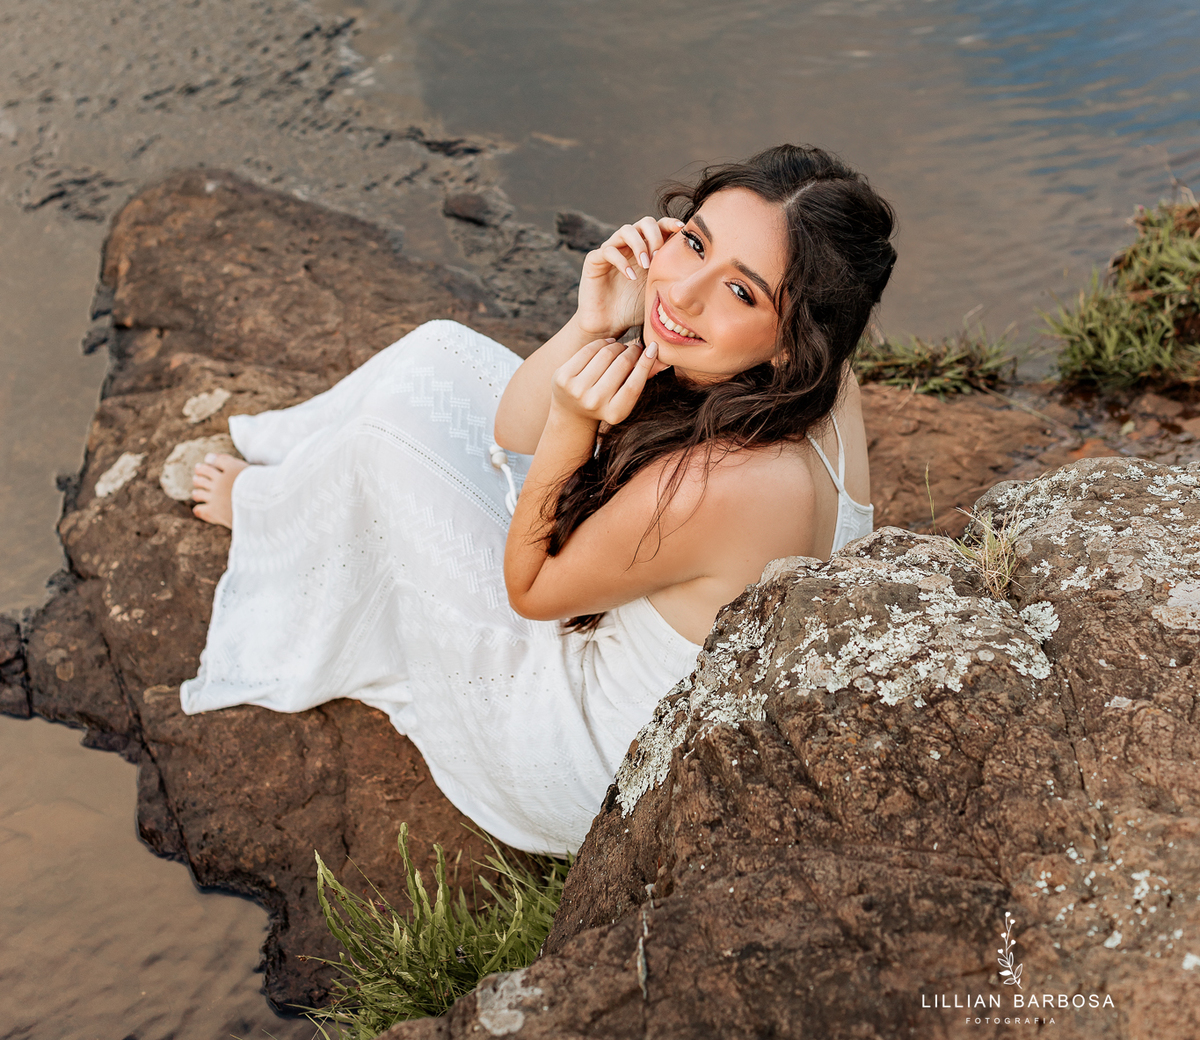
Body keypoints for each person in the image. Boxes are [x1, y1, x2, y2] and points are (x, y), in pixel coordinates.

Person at [181, 144, 897, 854]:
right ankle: (298, 471)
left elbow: (532, 588)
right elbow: (510, 431)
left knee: (384, 446)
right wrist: (598, 320)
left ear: (790, 340)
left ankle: (271, 514)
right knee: (438, 352)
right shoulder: (821, 387)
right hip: (662, 662)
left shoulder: (730, 481)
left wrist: (572, 422)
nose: (680, 293)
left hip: (586, 759)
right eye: (693, 243)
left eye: (740, 291)